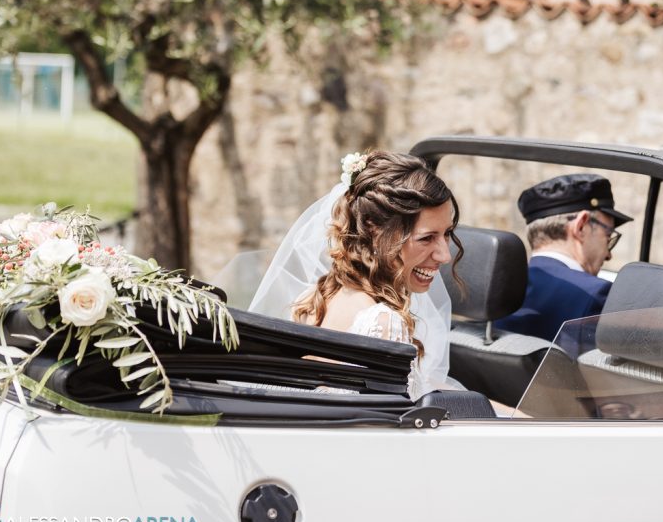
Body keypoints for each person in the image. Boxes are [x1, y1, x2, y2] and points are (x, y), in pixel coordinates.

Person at [249, 151, 462, 400]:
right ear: (374, 230)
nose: (444, 256)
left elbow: (418, 386)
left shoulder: (315, 299)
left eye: (447, 234)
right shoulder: (384, 323)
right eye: (426, 238)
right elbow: (395, 418)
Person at [494, 174, 632, 349]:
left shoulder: (498, 288)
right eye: (608, 236)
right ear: (581, 226)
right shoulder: (596, 294)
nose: (608, 255)